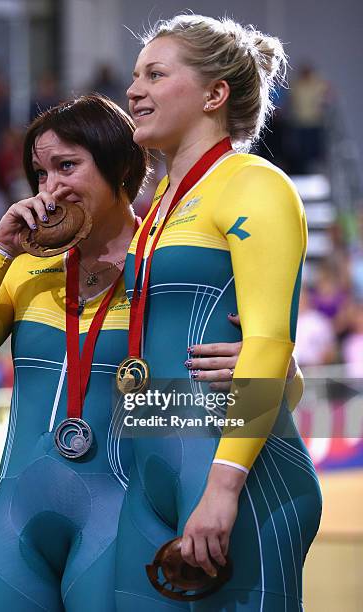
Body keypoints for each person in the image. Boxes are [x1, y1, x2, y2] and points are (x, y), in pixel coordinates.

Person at [0, 94, 269, 611]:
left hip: (121, 520)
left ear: (120, 166)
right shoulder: (24, 270)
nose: (51, 189)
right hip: (15, 521)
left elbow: (267, 385)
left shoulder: (174, 268)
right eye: (39, 174)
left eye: (67, 166)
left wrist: (273, 367)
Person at [115, 15, 321, 611]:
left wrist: (224, 487)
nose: (133, 90)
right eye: (135, 75)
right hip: (153, 468)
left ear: (214, 94)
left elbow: (266, 341)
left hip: (240, 480)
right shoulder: (154, 213)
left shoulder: (254, 185)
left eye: (155, 74)